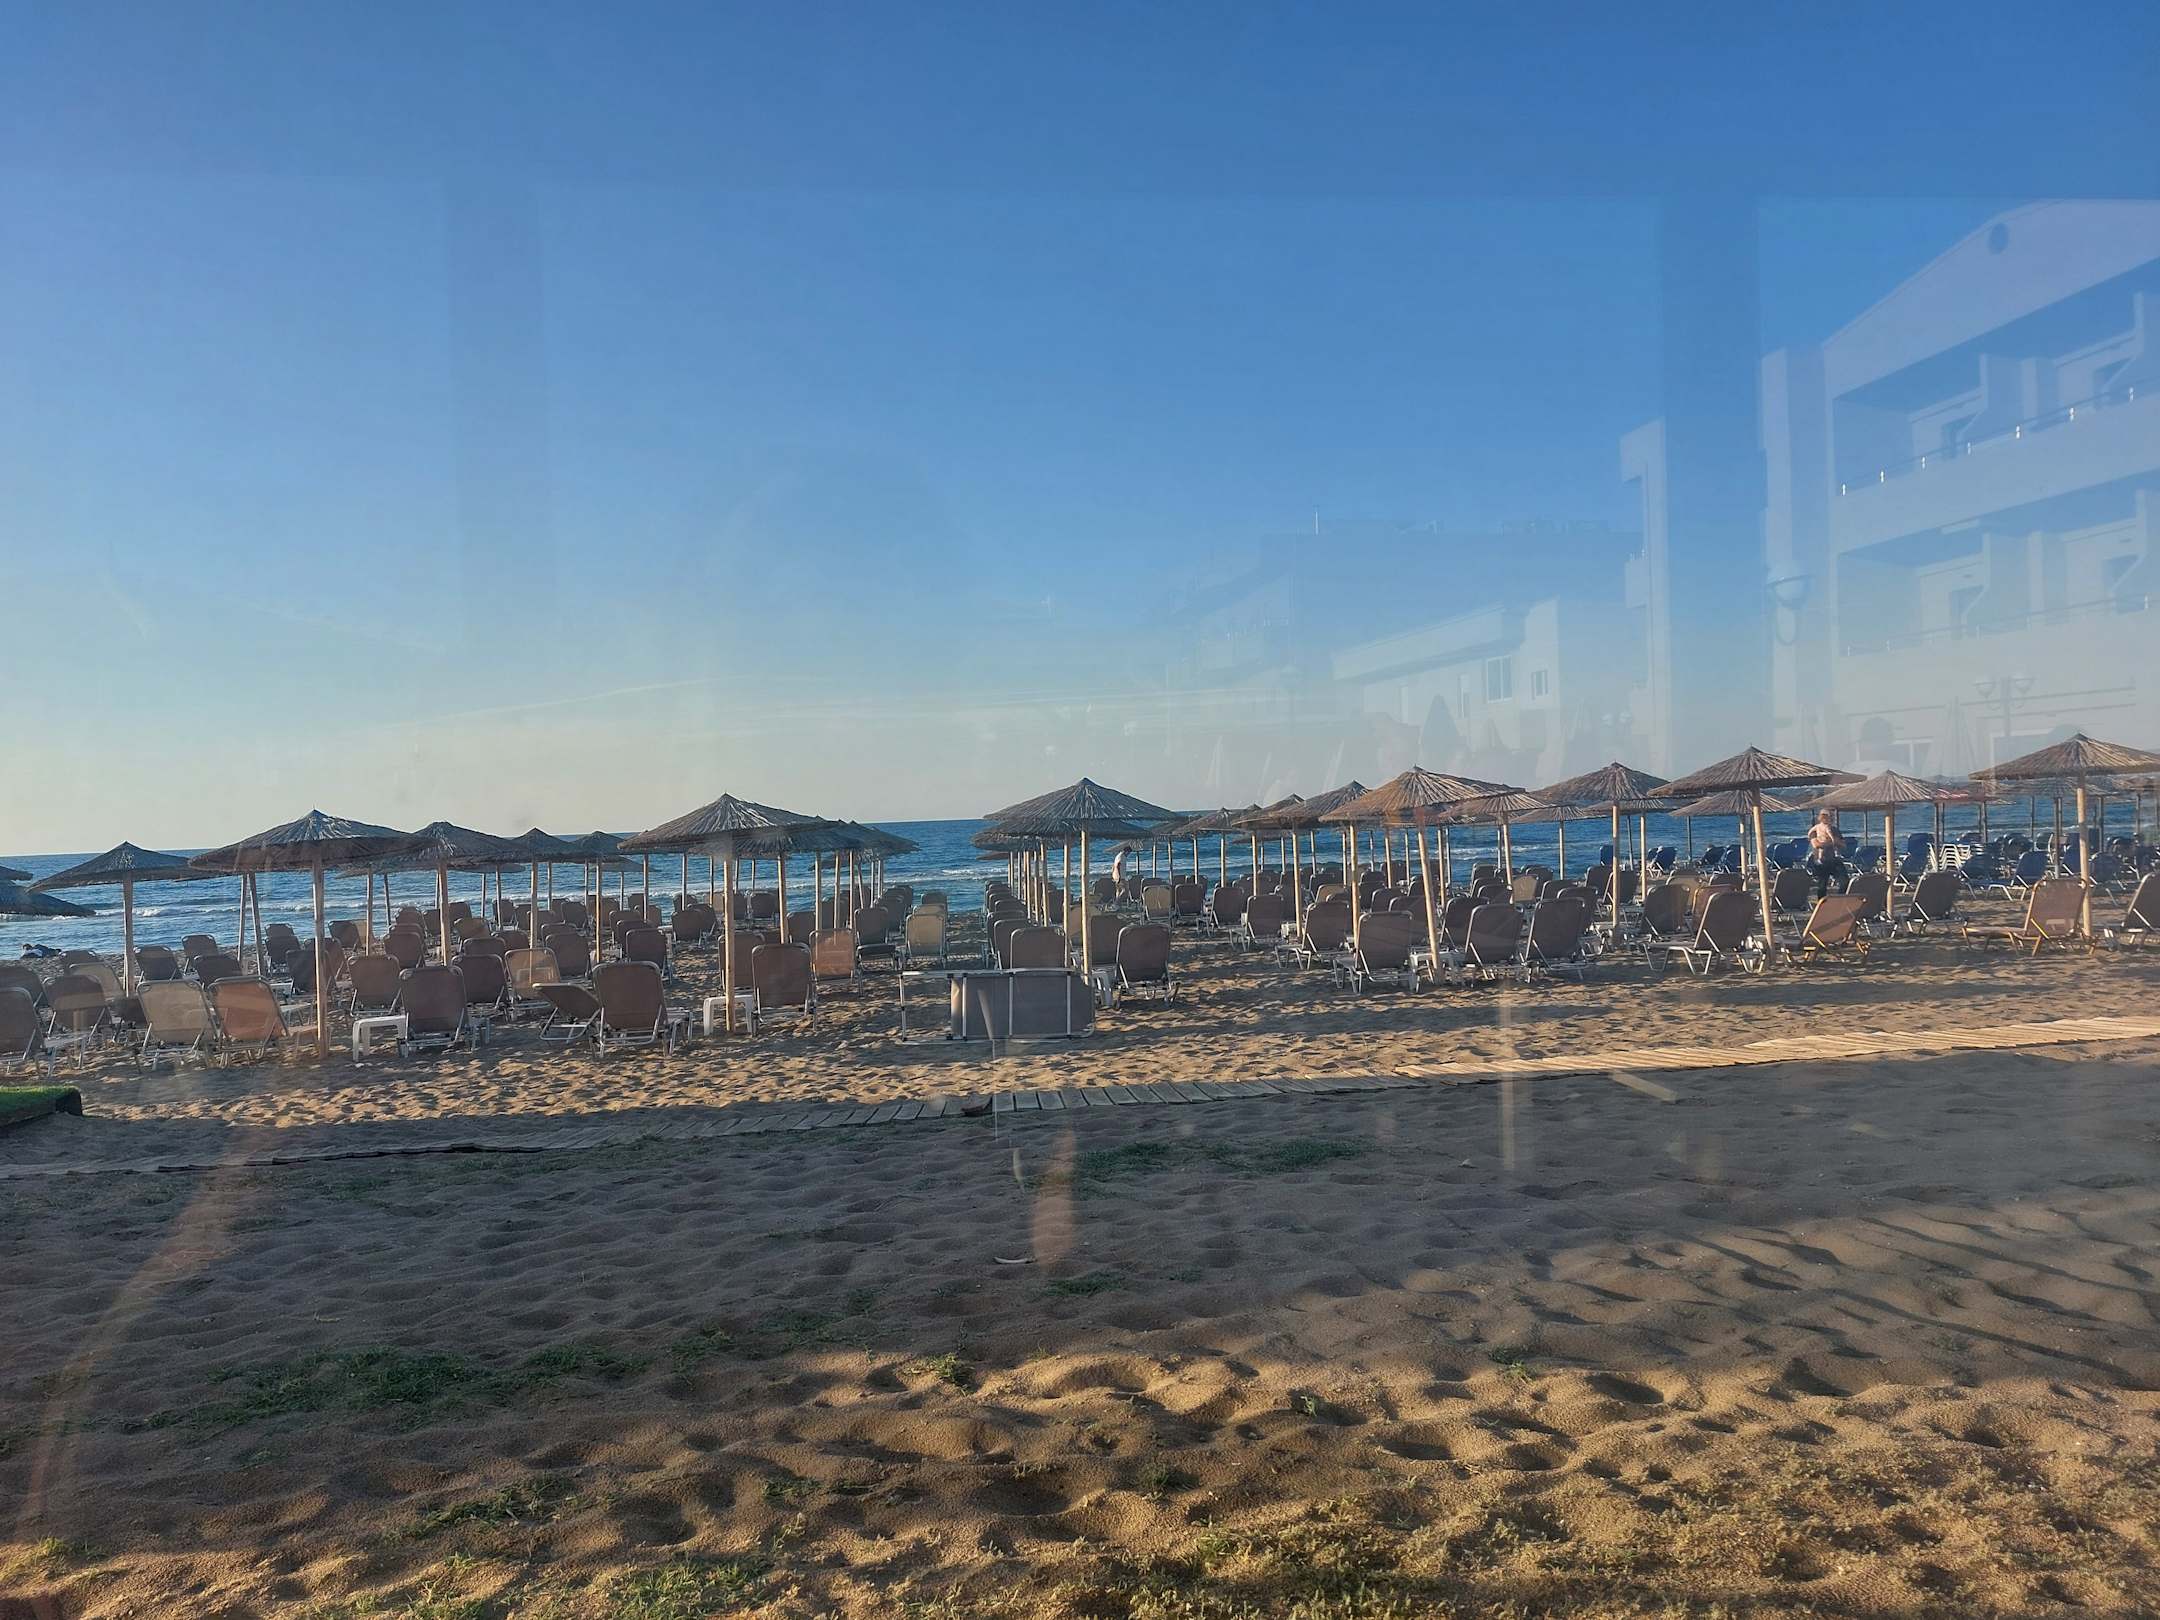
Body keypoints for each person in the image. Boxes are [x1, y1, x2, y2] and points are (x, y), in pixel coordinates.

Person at [1806, 810, 1849, 899]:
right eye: (1827, 815)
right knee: (1822, 885)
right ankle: (1821, 901)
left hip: (1833, 859)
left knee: (1845, 881)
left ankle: (1839, 899)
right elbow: (1816, 845)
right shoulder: (1816, 830)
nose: (1830, 818)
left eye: (1831, 816)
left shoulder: (1835, 830)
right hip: (1820, 860)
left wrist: (1833, 842)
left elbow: (1843, 845)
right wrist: (1833, 842)